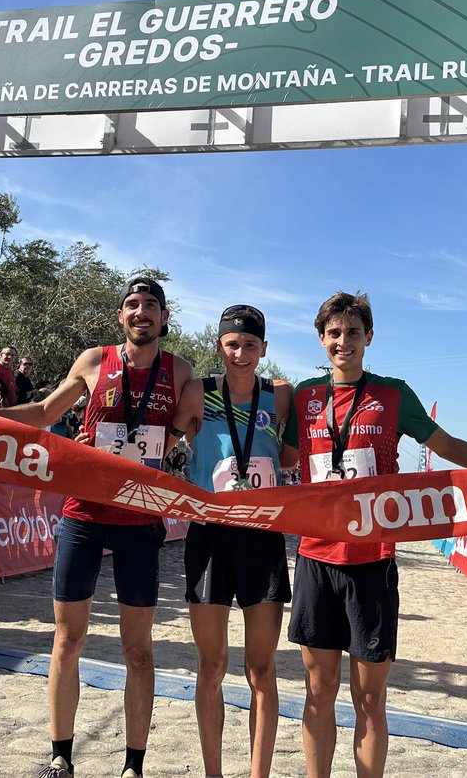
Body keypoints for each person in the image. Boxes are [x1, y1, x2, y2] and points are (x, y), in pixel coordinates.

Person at [0, 276, 201, 778]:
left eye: (151, 304)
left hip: (140, 522)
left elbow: (194, 428)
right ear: (121, 317)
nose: (141, 311)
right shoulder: (92, 360)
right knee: (68, 640)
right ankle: (60, 756)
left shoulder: (182, 372)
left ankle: (134, 765)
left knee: (139, 651)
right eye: (132, 304)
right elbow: (43, 413)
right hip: (83, 518)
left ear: (165, 318)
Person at [282, 291, 467, 778]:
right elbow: (283, 459)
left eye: (353, 332)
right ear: (320, 339)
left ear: (368, 337)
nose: (343, 341)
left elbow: (446, 444)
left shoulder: (393, 393)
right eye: (333, 333)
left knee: (370, 697)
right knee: (318, 689)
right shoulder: (304, 396)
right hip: (315, 558)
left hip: (372, 562)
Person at [183, 305, 293, 778]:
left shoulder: (280, 396)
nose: (241, 353)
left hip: (261, 540)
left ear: (264, 349)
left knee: (261, 671)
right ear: (219, 346)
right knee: (211, 667)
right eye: (233, 344)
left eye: (250, 345)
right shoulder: (198, 393)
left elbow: (295, 450)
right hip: (208, 540)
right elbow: (160, 441)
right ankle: (213, 773)